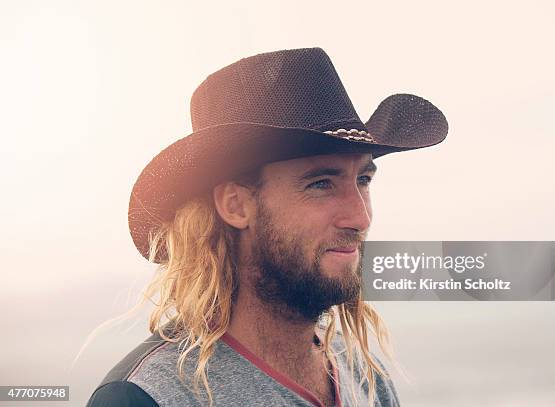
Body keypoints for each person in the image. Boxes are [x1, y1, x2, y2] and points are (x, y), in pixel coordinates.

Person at [86, 47, 448, 407]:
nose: (360, 217)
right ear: (236, 205)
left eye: (364, 180)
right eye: (321, 183)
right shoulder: (150, 396)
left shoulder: (365, 378)